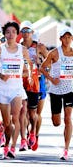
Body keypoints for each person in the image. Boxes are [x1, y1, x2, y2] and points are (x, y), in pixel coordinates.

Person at [0, 21, 33, 159]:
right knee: (7, 123)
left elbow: (29, 63)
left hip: (17, 89)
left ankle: (12, 147)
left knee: (15, 118)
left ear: (17, 34)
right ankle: (5, 145)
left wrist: (29, 75)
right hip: (3, 90)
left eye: (13, 32)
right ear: (4, 34)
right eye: (8, 32)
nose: (10, 34)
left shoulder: (22, 49)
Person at [40, 28, 73, 161]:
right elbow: (42, 67)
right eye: (64, 37)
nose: (67, 39)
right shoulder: (54, 53)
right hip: (56, 90)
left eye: (69, 37)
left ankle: (66, 149)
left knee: (68, 118)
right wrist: (51, 78)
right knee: (57, 122)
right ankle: (64, 146)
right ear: (60, 39)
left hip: (70, 88)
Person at [19, 21, 48, 152]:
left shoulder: (39, 47)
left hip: (36, 82)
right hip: (21, 81)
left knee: (34, 114)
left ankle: (34, 133)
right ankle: (23, 140)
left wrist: (40, 62)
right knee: (22, 111)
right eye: (23, 31)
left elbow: (51, 63)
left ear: (32, 32)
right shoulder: (18, 46)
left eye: (28, 31)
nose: (25, 34)